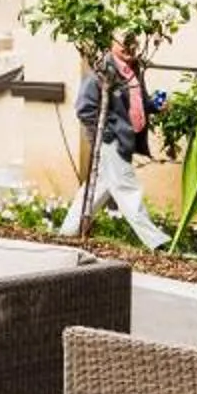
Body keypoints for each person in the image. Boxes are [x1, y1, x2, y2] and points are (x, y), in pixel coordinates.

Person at [68, 34, 168, 249]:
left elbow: (137, 103)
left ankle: (67, 232)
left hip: (123, 139)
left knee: (97, 188)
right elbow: (84, 110)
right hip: (112, 142)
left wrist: (154, 105)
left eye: (132, 41)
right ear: (111, 43)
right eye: (123, 41)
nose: (128, 46)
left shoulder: (132, 71)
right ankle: (157, 242)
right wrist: (108, 136)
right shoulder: (101, 72)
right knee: (128, 190)